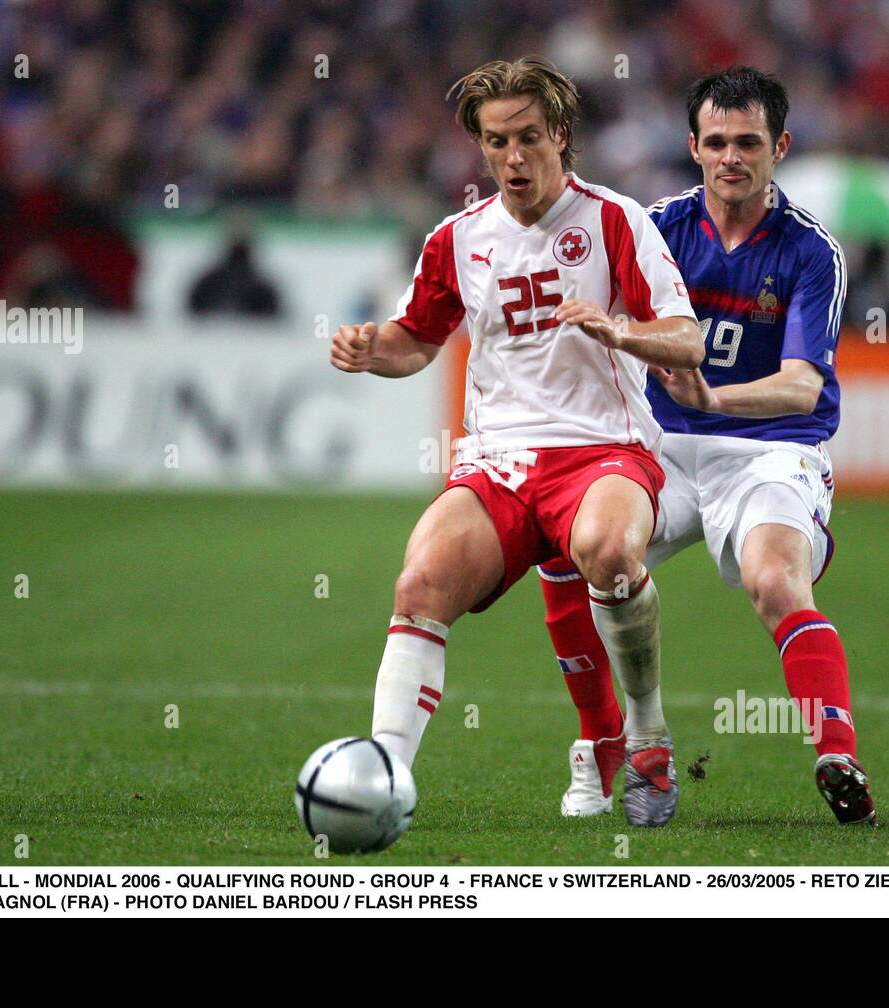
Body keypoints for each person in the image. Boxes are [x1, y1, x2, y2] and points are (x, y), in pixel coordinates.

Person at [330, 56, 703, 827]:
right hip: (499, 462)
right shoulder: (458, 239)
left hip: (603, 450)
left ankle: (645, 733)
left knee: (608, 551)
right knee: (421, 582)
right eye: (496, 141)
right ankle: (384, 780)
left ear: (562, 136)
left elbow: (688, 340)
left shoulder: (613, 221)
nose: (513, 156)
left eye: (529, 136)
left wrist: (620, 329)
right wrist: (374, 350)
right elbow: (415, 340)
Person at [540, 66, 875, 825]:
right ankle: (615, 744)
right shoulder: (653, 228)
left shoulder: (810, 253)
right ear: (692, 146)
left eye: (748, 142)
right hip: (659, 445)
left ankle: (837, 750)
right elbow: (598, 321)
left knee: (775, 580)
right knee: (572, 552)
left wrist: (712, 397)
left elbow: (801, 387)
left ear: (779, 146)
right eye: (716, 141)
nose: (732, 156)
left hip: (769, 449)